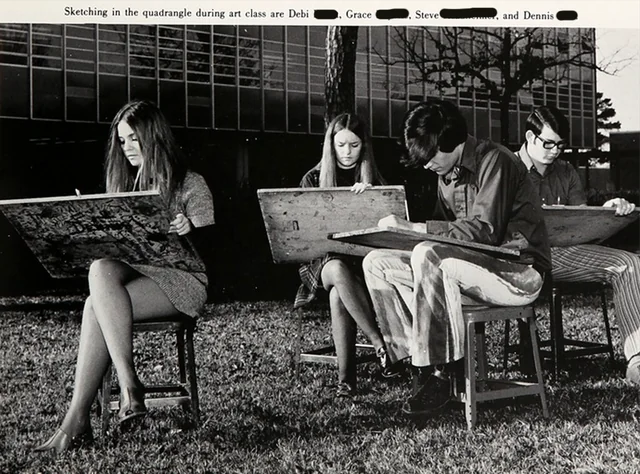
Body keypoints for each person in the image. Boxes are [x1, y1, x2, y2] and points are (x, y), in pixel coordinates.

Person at [35, 100, 215, 454]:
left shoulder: (190, 183)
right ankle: (124, 390)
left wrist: (191, 228)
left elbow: (218, 249)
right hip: (135, 277)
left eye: (134, 138)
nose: (127, 147)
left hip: (182, 282)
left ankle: (79, 421)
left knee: (95, 307)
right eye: (121, 140)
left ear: (154, 137)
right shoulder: (125, 185)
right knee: (99, 272)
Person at [362, 99, 551, 415]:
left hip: (519, 274)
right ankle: (417, 365)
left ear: (453, 142)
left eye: (429, 156)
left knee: (429, 254)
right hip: (470, 269)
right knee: (377, 263)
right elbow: (446, 235)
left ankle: (442, 374)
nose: (426, 165)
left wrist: (413, 228)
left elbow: (485, 230)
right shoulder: (446, 173)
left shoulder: (496, 160)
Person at [516, 105, 640, 383]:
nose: (555, 151)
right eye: (549, 143)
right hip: (522, 257)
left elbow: (581, 222)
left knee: (629, 263)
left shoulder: (565, 171)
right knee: (627, 263)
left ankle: (637, 361)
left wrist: (608, 211)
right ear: (530, 137)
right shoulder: (508, 168)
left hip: (562, 254)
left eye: (560, 145)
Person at [295, 112, 394, 398]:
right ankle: (381, 344)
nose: (347, 152)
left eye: (354, 145)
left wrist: (371, 199)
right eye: (341, 145)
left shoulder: (373, 178)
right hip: (320, 264)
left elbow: (387, 230)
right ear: (331, 145)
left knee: (340, 292)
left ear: (364, 145)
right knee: (337, 270)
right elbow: (306, 234)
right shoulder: (313, 178)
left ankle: (346, 381)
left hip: (359, 264)